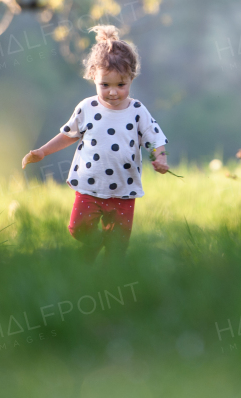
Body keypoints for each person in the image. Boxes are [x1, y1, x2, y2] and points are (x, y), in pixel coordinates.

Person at [22, 25, 169, 261]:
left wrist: (160, 157)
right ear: (93, 77)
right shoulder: (87, 108)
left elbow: (154, 138)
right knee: (78, 229)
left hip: (123, 189)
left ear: (131, 78)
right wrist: (42, 151)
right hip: (90, 185)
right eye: (105, 85)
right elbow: (68, 135)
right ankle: (94, 245)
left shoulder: (137, 111)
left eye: (121, 85)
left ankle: (107, 278)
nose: (113, 92)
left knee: (118, 247)